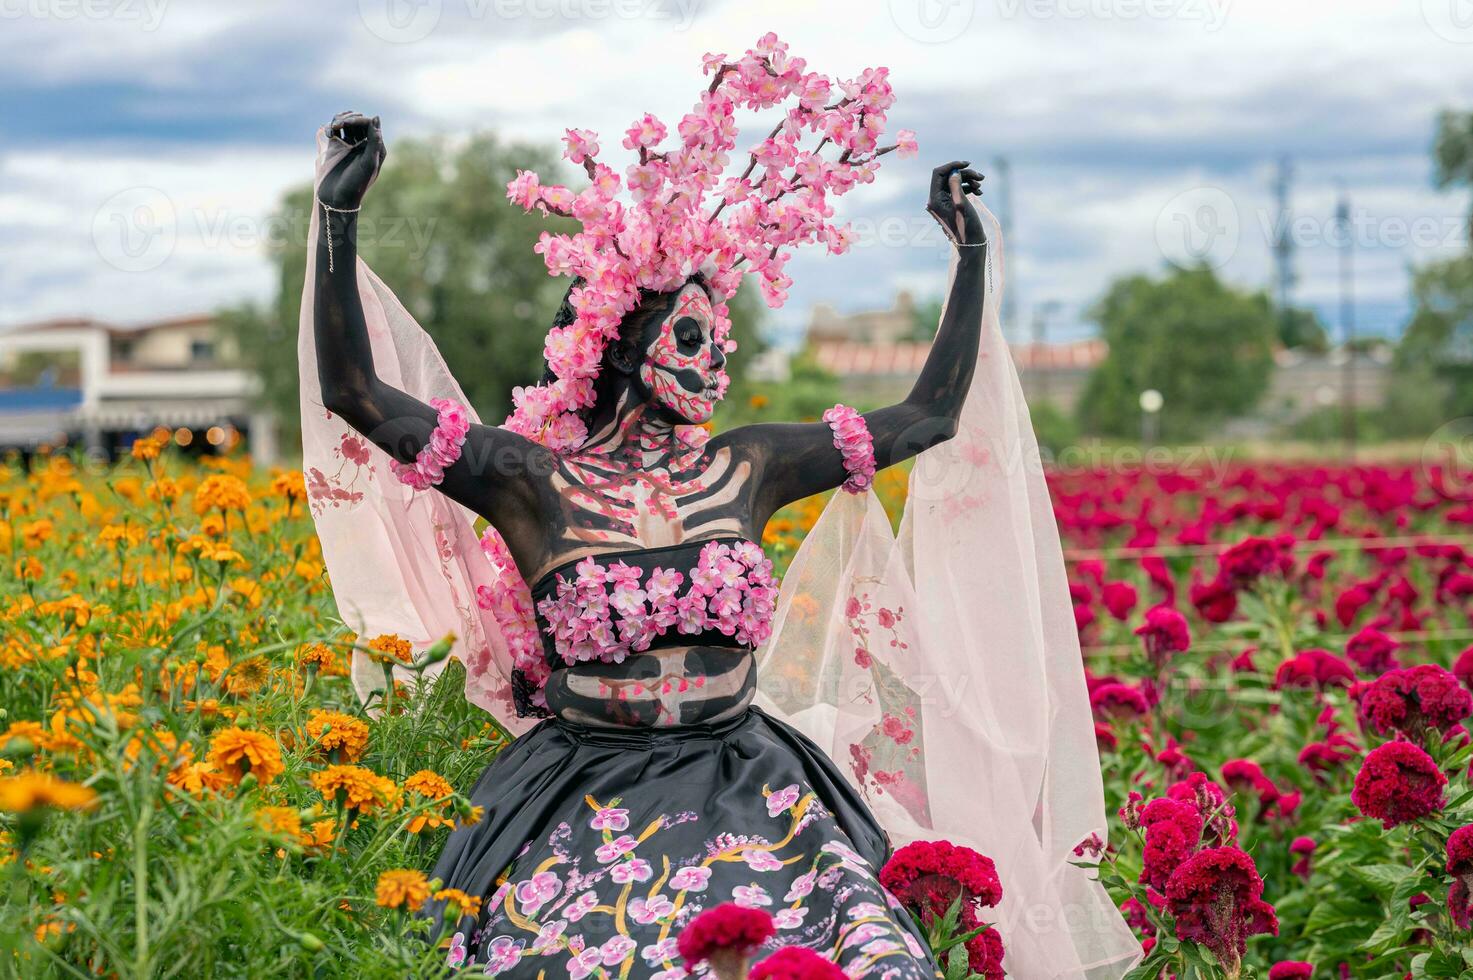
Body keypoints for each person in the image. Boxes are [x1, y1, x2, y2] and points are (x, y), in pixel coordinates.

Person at [299, 35, 1139, 979]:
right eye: (688, 337)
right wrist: (337, 211)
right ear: (623, 349)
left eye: (716, 339)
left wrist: (971, 254)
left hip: (755, 783)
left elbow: (927, 416)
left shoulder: (752, 466)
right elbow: (356, 393)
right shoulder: (529, 480)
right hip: (581, 792)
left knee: (868, 961)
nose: (711, 361)